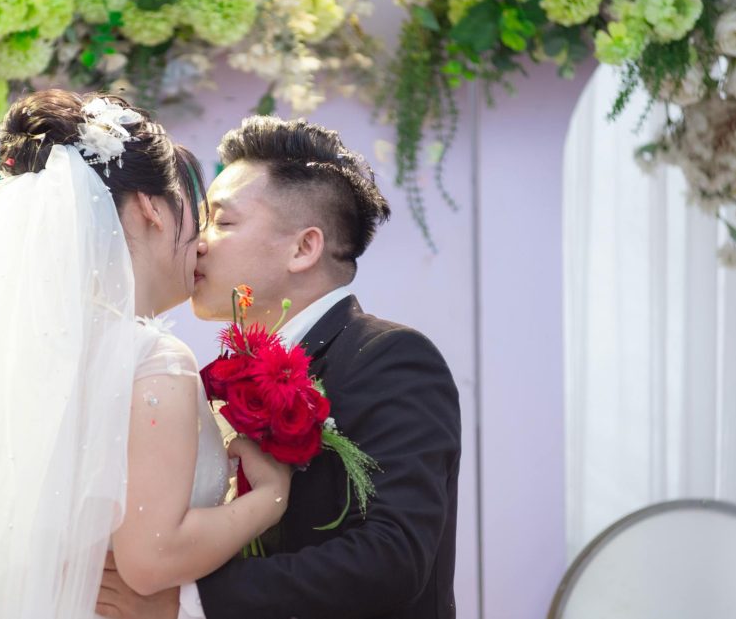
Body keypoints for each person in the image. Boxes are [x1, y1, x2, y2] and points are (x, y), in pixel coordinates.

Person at [0, 90, 290, 619]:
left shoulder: (22, 357)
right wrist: (269, 498)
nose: (201, 243)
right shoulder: (152, 359)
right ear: (152, 208)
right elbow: (151, 558)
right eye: (196, 214)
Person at [96, 116, 462, 619]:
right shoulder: (216, 373)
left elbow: (393, 557)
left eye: (223, 222)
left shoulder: (389, 357)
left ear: (303, 247)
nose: (198, 242)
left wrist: (188, 601)